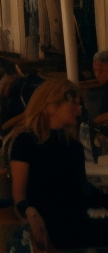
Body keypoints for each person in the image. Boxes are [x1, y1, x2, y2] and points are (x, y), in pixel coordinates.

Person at [7, 79, 108, 251]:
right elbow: (19, 196)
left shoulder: (73, 145)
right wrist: (30, 211)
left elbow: (84, 189)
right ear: (50, 107)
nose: (79, 109)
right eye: (74, 104)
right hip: (52, 225)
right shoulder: (26, 142)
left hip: (78, 219)